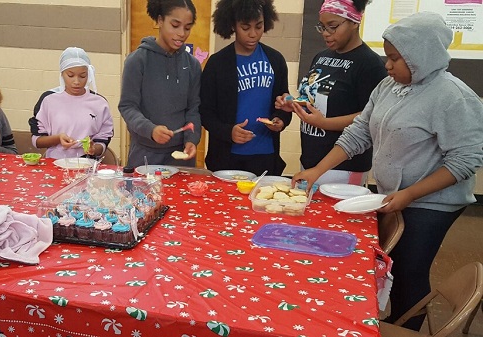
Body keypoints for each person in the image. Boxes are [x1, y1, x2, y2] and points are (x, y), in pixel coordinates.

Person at [293, 11, 483, 331]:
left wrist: (408, 194)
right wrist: (315, 170)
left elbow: (464, 161)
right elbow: (358, 133)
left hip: (431, 203)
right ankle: (386, 321)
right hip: (394, 193)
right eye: (387, 56)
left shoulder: (453, 96)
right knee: (388, 264)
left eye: (396, 58)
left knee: (410, 270)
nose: (387, 65)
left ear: (421, 57)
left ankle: (402, 327)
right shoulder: (388, 86)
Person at [275, 0, 386, 185]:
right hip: (311, 161)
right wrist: (295, 104)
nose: (326, 33)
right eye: (322, 27)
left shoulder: (370, 64)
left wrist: (325, 123)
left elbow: (371, 117)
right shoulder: (321, 57)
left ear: (354, 22)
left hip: (344, 166)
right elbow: (314, 99)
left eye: (333, 27)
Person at [200, 0, 290, 176]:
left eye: (259, 26)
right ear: (233, 25)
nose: (253, 34)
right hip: (226, 157)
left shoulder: (275, 60)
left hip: (265, 155)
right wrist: (228, 132)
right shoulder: (217, 63)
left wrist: (281, 119)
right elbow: (205, 112)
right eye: (245, 27)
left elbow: (283, 104)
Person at [119, 0, 201, 168]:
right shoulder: (137, 61)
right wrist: (150, 129)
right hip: (145, 154)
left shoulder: (192, 65)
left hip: (180, 157)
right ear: (160, 20)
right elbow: (127, 106)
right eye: (175, 25)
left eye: (187, 28)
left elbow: (194, 108)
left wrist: (191, 140)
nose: (181, 34)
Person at [29, 47, 114, 160]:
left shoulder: (99, 103)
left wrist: (94, 149)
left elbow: (104, 139)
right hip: (54, 162)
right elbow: (37, 140)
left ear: (89, 75)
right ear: (62, 74)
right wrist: (58, 138)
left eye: (82, 76)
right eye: (70, 75)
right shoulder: (48, 100)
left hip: (87, 163)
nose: (76, 82)